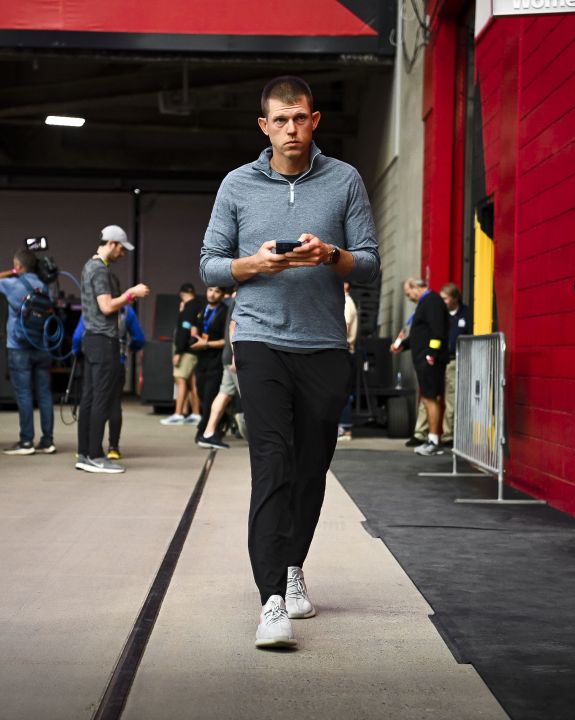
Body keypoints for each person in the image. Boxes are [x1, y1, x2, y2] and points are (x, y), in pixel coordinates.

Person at [200, 75, 379, 649]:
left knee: (309, 469)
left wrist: (332, 255)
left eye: (300, 118)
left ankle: (294, 565)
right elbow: (210, 264)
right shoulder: (236, 185)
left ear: (315, 120)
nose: (291, 129)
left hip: (324, 345)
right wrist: (254, 265)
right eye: (280, 120)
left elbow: (370, 263)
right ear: (264, 126)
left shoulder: (344, 180)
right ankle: (271, 599)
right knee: (272, 464)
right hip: (259, 341)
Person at [76, 225, 150, 473]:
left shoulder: (89, 266)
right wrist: (131, 294)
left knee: (88, 398)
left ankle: (84, 453)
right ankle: (97, 456)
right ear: (112, 244)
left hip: (91, 340)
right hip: (104, 340)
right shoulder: (100, 271)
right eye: (122, 248)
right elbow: (107, 307)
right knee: (102, 399)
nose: (123, 254)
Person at [0, 249, 56, 456]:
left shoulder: (13, 284)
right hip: (42, 346)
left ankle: (26, 441)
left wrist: (12, 272)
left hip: (19, 347)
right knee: (44, 394)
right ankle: (47, 441)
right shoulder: (46, 286)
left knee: (24, 394)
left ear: (18, 266)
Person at [73, 302, 145, 461]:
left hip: (91, 358)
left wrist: (77, 352)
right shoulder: (126, 311)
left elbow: (77, 337)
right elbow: (139, 338)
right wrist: (129, 348)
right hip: (116, 361)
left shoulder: (90, 309)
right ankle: (113, 447)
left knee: (88, 400)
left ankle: (82, 449)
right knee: (114, 403)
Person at [395, 278, 448, 456]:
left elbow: (436, 330)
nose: (409, 297)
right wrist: (402, 344)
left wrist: (431, 354)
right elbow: (420, 335)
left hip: (429, 360)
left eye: (408, 293)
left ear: (416, 287)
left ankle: (433, 440)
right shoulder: (425, 302)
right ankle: (431, 438)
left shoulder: (432, 301)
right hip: (423, 358)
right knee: (427, 398)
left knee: (431, 398)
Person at [191, 285, 230, 442]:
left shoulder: (225, 312)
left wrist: (206, 344)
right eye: (210, 290)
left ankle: (204, 430)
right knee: (200, 393)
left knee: (209, 397)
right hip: (201, 359)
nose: (212, 294)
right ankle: (224, 417)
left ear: (222, 294)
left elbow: (226, 340)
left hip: (216, 360)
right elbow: (194, 323)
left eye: (217, 291)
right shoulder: (202, 308)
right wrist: (193, 333)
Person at [161, 283, 203, 426]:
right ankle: (196, 414)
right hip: (193, 349)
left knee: (180, 379)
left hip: (186, 350)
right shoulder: (197, 305)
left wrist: (178, 351)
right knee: (192, 382)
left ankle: (178, 414)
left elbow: (184, 331)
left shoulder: (188, 308)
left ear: (182, 294)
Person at [197, 318, 239, 450]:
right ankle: (262, 440)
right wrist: (236, 355)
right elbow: (233, 327)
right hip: (235, 358)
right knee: (252, 398)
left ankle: (208, 433)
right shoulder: (241, 299)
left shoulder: (235, 300)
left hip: (229, 356)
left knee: (224, 394)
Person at [441, 283, 469, 442]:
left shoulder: (466, 314)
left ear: (454, 298)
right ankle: (440, 435)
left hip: (458, 361)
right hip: (441, 360)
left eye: (445, 298)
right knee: (436, 398)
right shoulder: (441, 314)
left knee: (454, 399)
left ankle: (450, 435)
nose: (442, 301)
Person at [337, 280, 359, 441]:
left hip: (342, 351)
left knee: (340, 391)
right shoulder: (343, 300)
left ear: (346, 284)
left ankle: (345, 428)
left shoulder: (345, 302)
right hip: (342, 350)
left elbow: (342, 326)